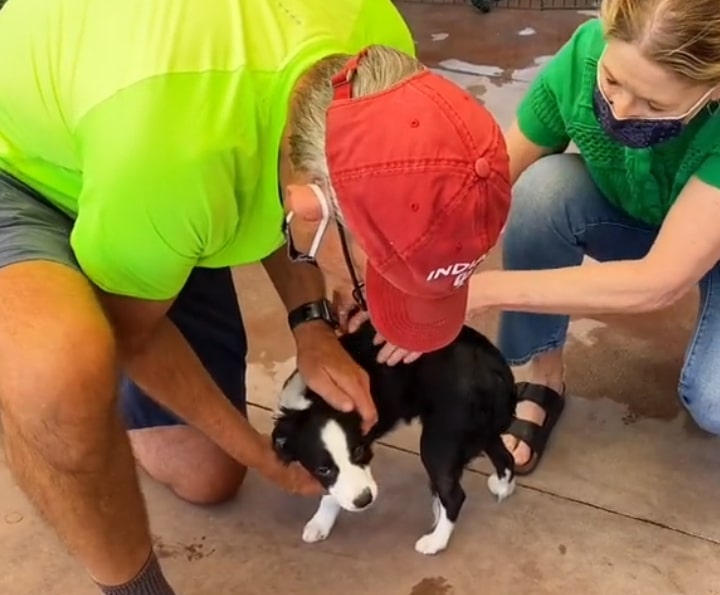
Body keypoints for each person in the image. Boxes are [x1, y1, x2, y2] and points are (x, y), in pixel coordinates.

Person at [0, 0, 511, 593]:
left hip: (157, 181)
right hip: (25, 163)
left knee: (205, 476)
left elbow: (282, 151)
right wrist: (266, 457)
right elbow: (134, 337)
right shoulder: (175, 162)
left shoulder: (381, 47)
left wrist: (312, 323)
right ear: (307, 208)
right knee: (56, 377)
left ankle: (135, 266)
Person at [463, 0, 720, 476]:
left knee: (714, 403)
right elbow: (493, 178)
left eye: (654, 104)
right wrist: (415, 265)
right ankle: (544, 379)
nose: (620, 111)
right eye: (614, 80)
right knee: (542, 192)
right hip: (644, 220)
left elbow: (658, 282)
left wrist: (481, 290)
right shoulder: (584, 55)